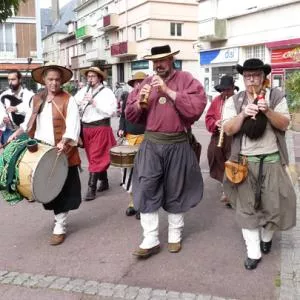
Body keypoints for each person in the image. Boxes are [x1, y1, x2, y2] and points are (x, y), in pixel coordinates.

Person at [125, 45, 207, 258]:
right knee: (146, 187)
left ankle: (174, 235)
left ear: (172, 60)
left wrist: (169, 92)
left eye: (162, 60)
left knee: (176, 188)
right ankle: (150, 239)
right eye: (155, 61)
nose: (158, 65)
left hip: (178, 143)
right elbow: (130, 114)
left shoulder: (186, 79)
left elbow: (196, 108)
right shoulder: (145, 82)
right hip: (151, 143)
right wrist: (139, 106)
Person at [222, 58, 296, 270]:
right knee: (246, 208)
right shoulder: (234, 101)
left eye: (256, 75)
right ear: (243, 78)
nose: (251, 80)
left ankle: (266, 237)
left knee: (275, 206)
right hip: (244, 163)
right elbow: (228, 129)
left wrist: (267, 111)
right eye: (247, 76)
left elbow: (285, 123)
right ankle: (253, 251)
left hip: (272, 160)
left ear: (264, 78)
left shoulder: (276, 96)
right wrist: (244, 114)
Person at [8, 63, 82, 246]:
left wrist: (64, 142)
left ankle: (60, 226)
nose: (54, 83)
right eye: (50, 79)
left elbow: (73, 126)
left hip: (62, 152)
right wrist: (17, 133)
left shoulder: (68, 99)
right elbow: (29, 121)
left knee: (63, 190)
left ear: (61, 81)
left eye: (57, 79)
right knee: (47, 188)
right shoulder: (37, 98)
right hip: (41, 152)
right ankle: (58, 219)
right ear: (43, 80)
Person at [75, 67, 117, 201]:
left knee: (96, 157)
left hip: (101, 127)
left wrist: (94, 103)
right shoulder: (83, 91)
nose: (90, 79)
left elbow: (111, 111)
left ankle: (91, 188)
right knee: (92, 157)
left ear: (99, 78)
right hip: (87, 129)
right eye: (88, 76)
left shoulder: (107, 92)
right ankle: (104, 181)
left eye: (93, 76)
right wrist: (79, 105)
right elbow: (74, 103)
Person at [205, 75, 239, 208]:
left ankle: (229, 191)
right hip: (218, 134)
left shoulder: (238, 99)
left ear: (232, 89)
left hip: (233, 136)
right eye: (223, 90)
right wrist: (215, 123)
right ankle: (225, 185)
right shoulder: (216, 101)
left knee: (232, 161)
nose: (225, 93)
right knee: (213, 155)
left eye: (228, 90)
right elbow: (209, 118)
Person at [118, 72, 147, 219]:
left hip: (144, 140)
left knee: (142, 173)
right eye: (136, 82)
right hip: (129, 139)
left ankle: (142, 204)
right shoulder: (127, 97)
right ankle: (132, 202)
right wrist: (121, 128)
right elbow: (123, 116)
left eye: (141, 82)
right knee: (127, 172)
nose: (138, 85)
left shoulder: (149, 98)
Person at [0, 70, 34, 145]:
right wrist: (3, 118)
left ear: (20, 79)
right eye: (9, 80)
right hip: (9, 131)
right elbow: (1, 111)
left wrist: (17, 108)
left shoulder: (29, 95)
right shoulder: (4, 95)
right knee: (8, 155)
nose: (10, 82)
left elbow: (31, 112)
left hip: (26, 132)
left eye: (13, 79)